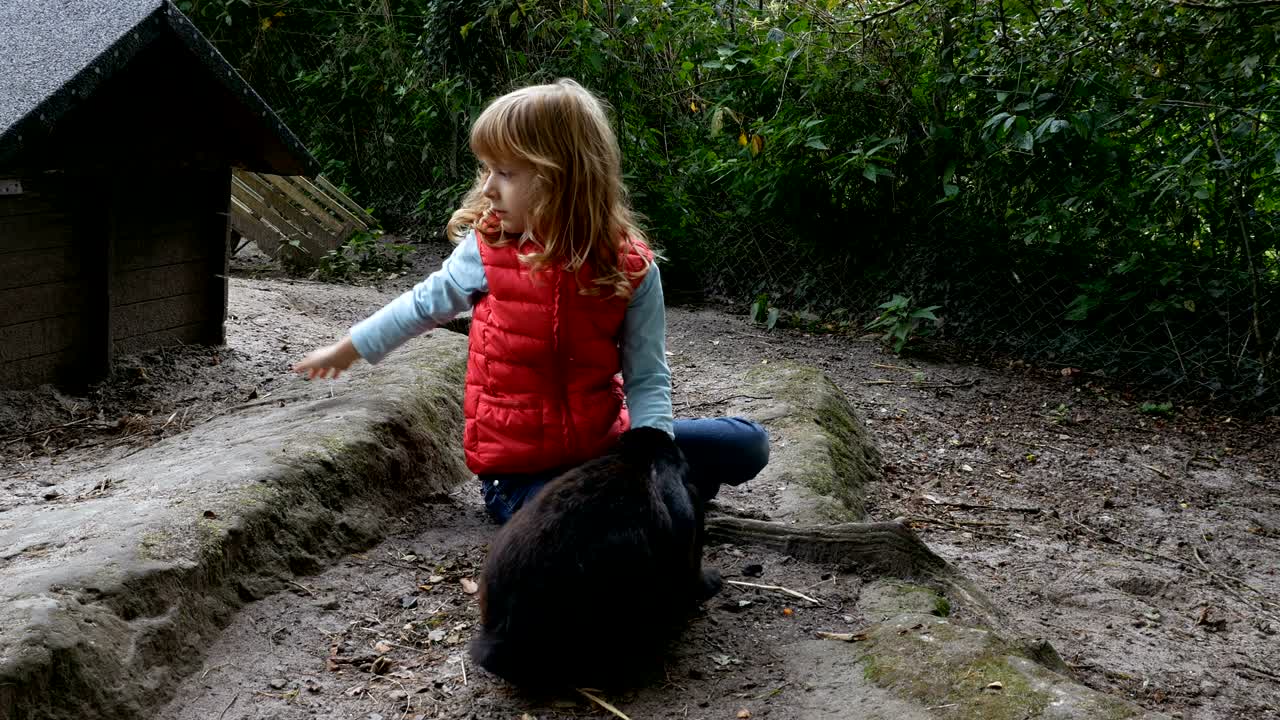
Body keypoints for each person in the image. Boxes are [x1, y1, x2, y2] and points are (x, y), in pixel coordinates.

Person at [293, 78, 769, 524]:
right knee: (590, 522)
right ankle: (640, 501)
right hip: (521, 474)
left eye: (505, 172)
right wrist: (347, 350)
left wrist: (652, 455)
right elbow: (421, 306)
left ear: (561, 178)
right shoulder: (487, 250)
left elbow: (647, 376)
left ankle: (646, 492)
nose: (487, 188)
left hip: (605, 446)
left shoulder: (629, 267)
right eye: (487, 170)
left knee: (747, 445)